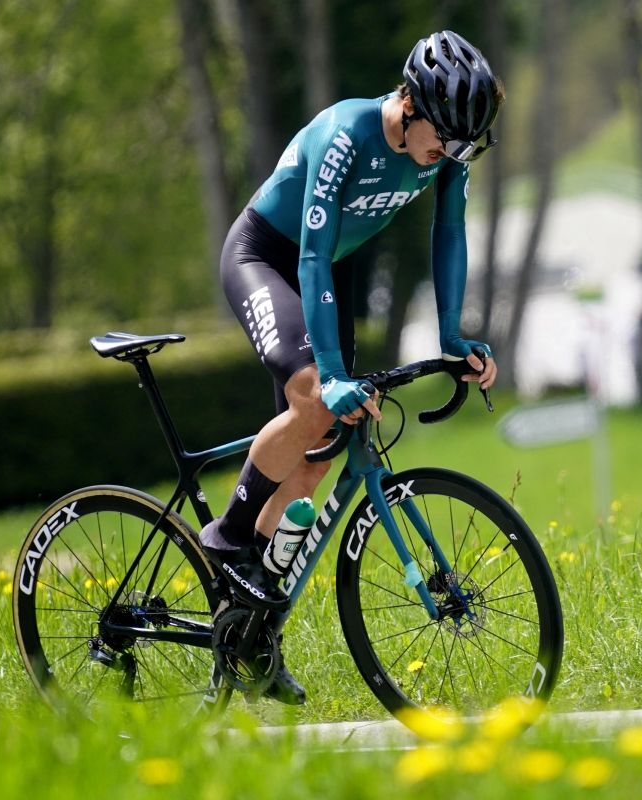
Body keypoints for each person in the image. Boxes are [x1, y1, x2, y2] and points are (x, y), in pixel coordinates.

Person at [199, 30, 502, 704]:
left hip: (324, 268)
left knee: (320, 451)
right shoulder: (345, 132)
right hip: (268, 258)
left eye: (465, 146)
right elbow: (309, 255)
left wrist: (453, 336)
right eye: (446, 140)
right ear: (412, 104)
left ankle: (247, 626)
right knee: (315, 398)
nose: (450, 156)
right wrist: (330, 374)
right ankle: (226, 537)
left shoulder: (446, 145)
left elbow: (448, 232)